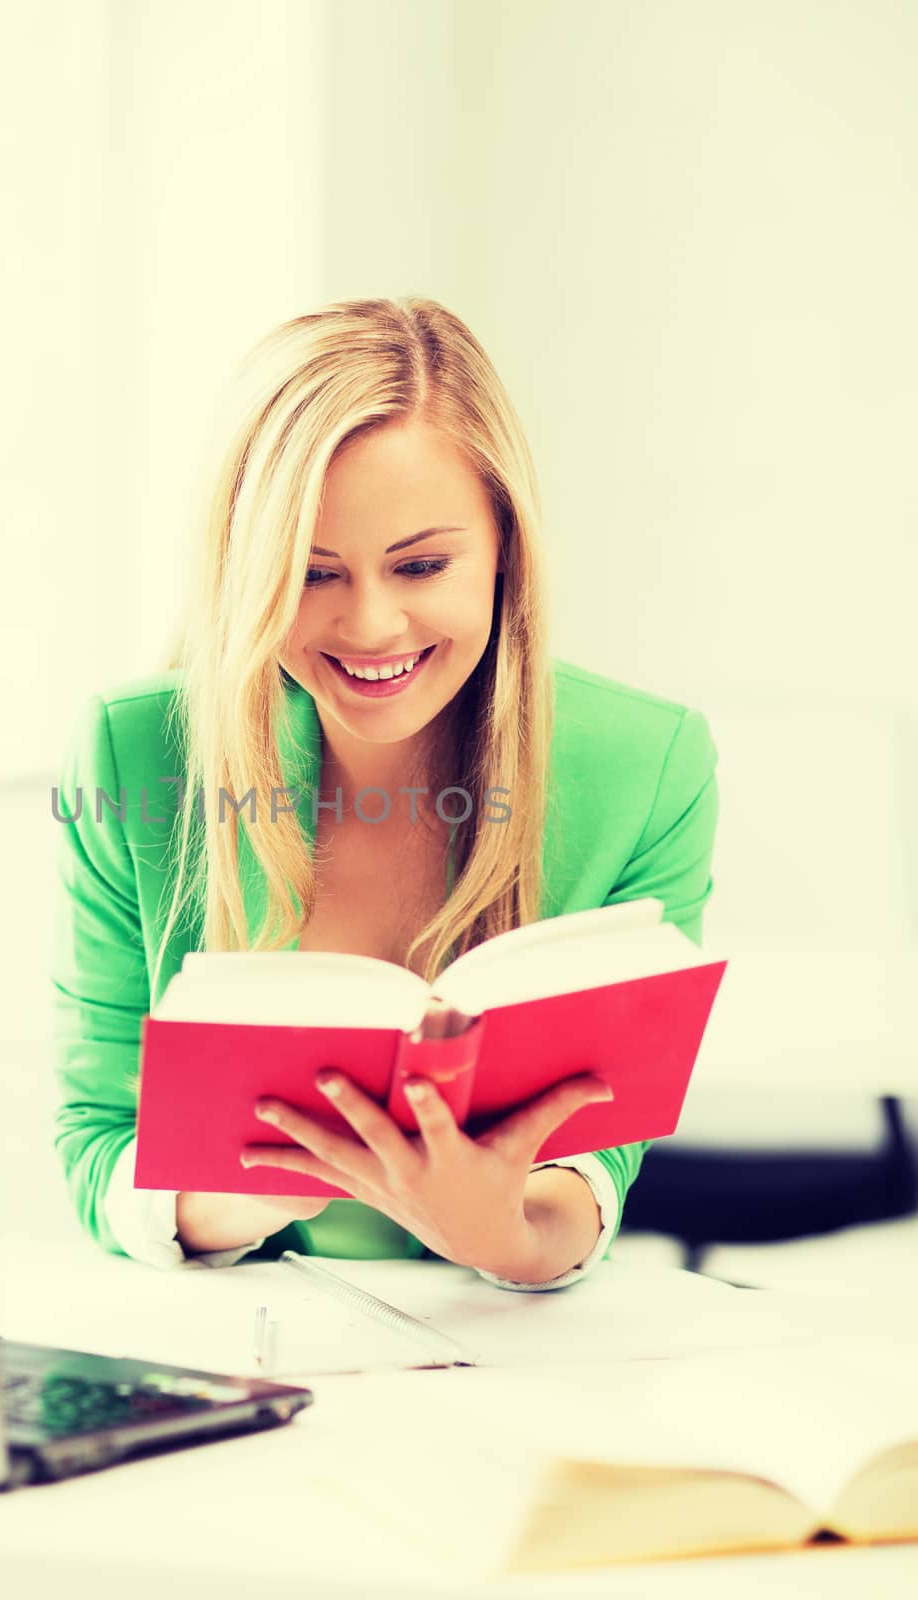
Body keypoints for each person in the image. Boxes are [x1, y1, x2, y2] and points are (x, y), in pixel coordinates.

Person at [51, 296, 719, 1289]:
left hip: (501, 1354)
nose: (370, 624)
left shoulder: (647, 764)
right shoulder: (132, 751)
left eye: (419, 564)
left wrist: (499, 1231)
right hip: (245, 1351)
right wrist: (250, 1187)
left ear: (503, 547)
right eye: (310, 572)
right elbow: (97, 1136)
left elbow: (597, 1158)